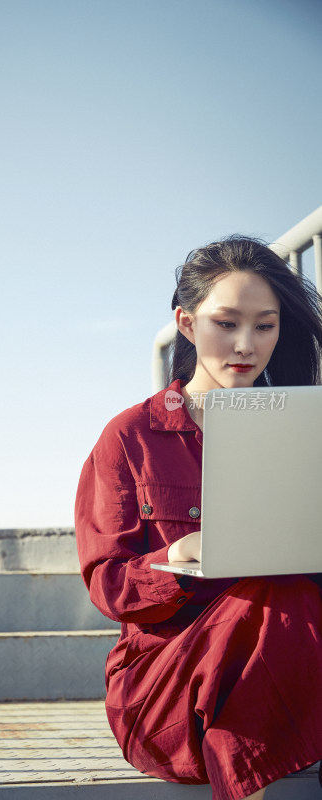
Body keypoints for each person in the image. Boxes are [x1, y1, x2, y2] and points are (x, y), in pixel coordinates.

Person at [74, 236, 322, 800]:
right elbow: (108, 581)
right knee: (270, 601)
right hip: (165, 683)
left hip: (294, 656)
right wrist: (175, 557)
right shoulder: (130, 436)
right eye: (225, 323)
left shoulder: (305, 431)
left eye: (265, 325)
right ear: (186, 324)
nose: (245, 344)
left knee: (289, 600)